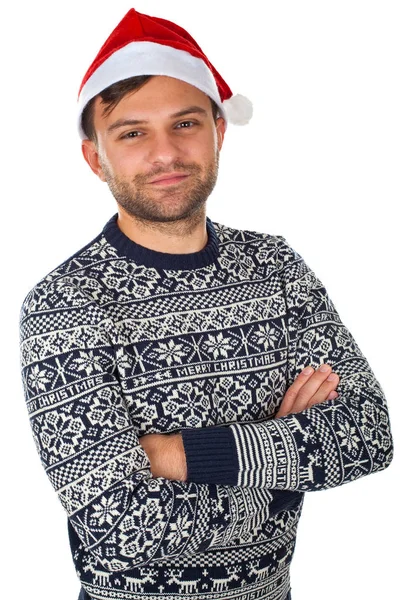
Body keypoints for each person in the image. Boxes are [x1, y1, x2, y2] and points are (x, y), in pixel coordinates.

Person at [19, 8, 393, 600]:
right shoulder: (65, 301)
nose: (165, 153)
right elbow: (117, 527)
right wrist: (282, 453)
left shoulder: (276, 268)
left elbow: (368, 438)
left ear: (219, 131)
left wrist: (168, 454)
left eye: (186, 124)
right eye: (133, 132)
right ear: (96, 158)